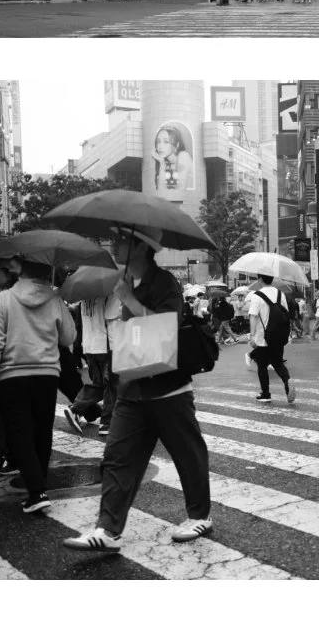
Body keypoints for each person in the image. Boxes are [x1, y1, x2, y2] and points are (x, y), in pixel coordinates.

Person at [63, 232, 212, 552]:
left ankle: (200, 515)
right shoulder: (125, 281)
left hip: (168, 388)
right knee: (117, 458)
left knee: (188, 455)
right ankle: (107, 529)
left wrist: (128, 299)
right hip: (131, 387)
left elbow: (166, 329)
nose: (115, 245)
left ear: (142, 245)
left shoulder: (164, 283)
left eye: (122, 240)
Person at [0, 256, 77, 515]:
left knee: (19, 433)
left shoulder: (4, 299)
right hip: (47, 374)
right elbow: (69, 337)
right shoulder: (54, 299)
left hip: (12, 375)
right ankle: (39, 485)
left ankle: (37, 491)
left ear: (22, 270)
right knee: (42, 431)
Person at [63, 295, 114, 437]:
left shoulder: (85, 297)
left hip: (90, 345)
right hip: (105, 344)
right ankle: (107, 422)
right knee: (111, 384)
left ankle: (76, 409)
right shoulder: (109, 293)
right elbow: (112, 316)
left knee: (99, 384)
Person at [246, 275, 296, 404]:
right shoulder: (280, 294)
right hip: (278, 336)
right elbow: (286, 313)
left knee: (262, 366)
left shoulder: (257, 295)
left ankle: (266, 394)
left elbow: (253, 316)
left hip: (262, 337)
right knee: (278, 363)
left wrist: (252, 336)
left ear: (260, 280)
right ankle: (287, 382)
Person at [153, 125, 194, 192]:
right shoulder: (165, 163)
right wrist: (162, 163)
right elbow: (161, 192)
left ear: (177, 144)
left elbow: (180, 190)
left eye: (166, 141)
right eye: (158, 141)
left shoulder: (183, 156)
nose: (160, 146)